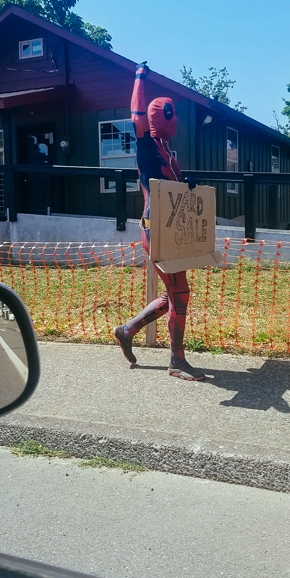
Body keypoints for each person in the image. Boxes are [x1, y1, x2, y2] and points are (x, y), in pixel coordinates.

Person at [113, 62, 206, 381]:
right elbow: (136, 114)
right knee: (179, 294)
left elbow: (174, 188)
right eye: (172, 112)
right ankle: (176, 361)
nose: (175, 118)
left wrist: (187, 183)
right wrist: (139, 78)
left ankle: (127, 330)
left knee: (172, 294)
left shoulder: (168, 150)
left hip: (171, 226)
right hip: (156, 227)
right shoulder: (147, 143)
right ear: (161, 117)